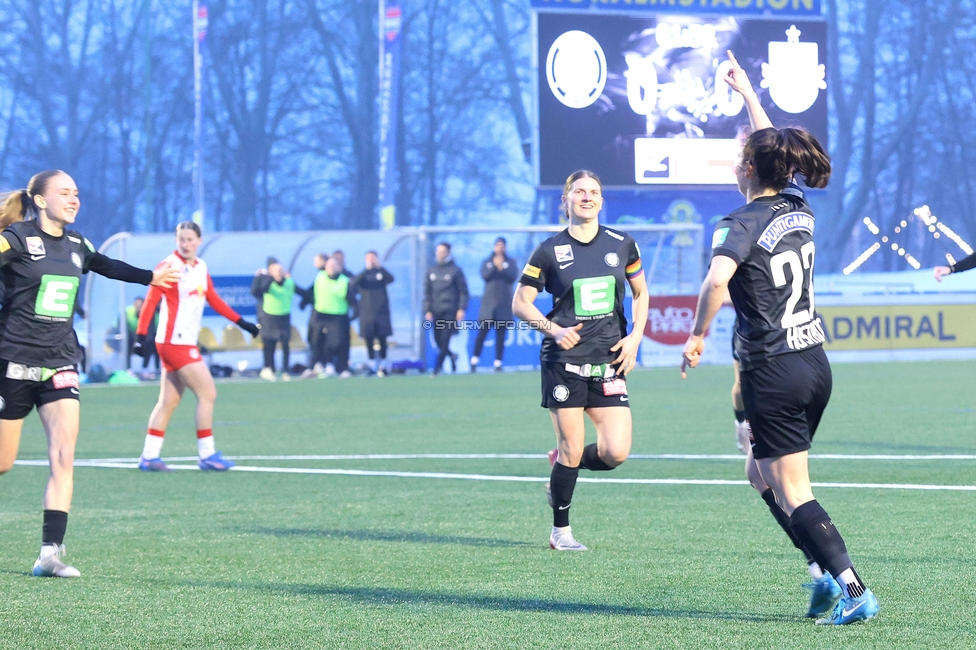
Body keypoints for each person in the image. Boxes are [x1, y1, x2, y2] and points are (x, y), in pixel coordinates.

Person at [680, 51, 879, 625]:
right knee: (758, 471)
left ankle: (852, 588)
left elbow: (716, 280)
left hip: (774, 366)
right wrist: (746, 93)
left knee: (792, 488)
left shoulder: (738, 224)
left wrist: (696, 336)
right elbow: (772, 145)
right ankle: (819, 577)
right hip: (814, 362)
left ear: (747, 170)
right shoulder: (796, 204)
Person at [0, 170, 180, 578]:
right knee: (3, 463)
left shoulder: (79, 244)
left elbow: (107, 265)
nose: (74, 198)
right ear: (40, 200)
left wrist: (151, 277)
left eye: (76, 192)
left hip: (61, 361)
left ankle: (50, 554)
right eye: (64, 192)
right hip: (12, 363)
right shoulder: (16, 239)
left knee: (64, 456)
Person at [512, 170, 648, 551]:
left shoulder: (624, 244)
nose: (587, 197)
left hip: (609, 362)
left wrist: (635, 338)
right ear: (566, 200)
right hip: (563, 362)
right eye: (579, 192)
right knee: (573, 446)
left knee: (615, 452)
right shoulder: (549, 250)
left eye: (594, 192)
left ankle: (561, 465)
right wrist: (553, 330)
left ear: (602, 201)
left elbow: (640, 294)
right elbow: (520, 302)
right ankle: (561, 532)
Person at [133, 221, 260, 473]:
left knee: (168, 401)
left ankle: (149, 456)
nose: (185, 244)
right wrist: (140, 336)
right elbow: (150, 301)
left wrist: (243, 323)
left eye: (190, 239)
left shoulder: (200, 267)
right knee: (208, 393)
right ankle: (207, 454)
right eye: (181, 239)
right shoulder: (169, 266)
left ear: (199, 241)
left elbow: (213, 298)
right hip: (174, 341)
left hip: (181, 341)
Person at [470, 237, 518, 373]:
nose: (500, 248)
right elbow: (485, 276)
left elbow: (512, 277)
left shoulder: (510, 262)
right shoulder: (487, 262)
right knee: (482, 334)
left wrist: (502, 267)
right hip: (488, 306)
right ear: (494, 247)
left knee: (501, 335)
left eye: (502, 245)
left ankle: (498, 363)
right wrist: (495, 267)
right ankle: (474, 361)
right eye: (497, 245)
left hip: (503, 304)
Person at [305, 257, 356, 378]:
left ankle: (343, 369)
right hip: (321, 315)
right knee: (318, 342)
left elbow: (352, 299)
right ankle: (321, 366)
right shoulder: (320, 277)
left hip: (339, 316)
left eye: (334, 266)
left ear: (339, 267)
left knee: (339, 343)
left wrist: (354, 314)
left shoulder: (344, 280)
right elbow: (310, 292)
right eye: (329, 266)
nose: (331, 268)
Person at [424, 242, 468, 375]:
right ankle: (452, 356)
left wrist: (461, 308)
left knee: (445, 339)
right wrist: (427, 309)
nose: (440, 253)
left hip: (450, 310)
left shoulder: (455, 270)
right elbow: (427, 292)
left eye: (443, 251)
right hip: (436, 310)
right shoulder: (432, 270)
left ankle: (437, 369)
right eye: (438, 251)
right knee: (438, 341)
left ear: (448, 252)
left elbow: (463, 291)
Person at [251, 257, 295, 381]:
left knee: (286, 344)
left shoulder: (288, 282)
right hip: (268, 317)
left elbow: (297, 291)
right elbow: (256, 291)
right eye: (276, 270)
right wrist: (260, 277)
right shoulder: (266, 281)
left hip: (284, 316)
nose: (279, 272)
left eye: (280, 270)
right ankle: (270, 369)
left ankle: (286, 370)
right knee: (269, 344)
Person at [352, 250, 395, 376]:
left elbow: (391, 279)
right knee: (369, 339)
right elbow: (354, 282)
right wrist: (367, 269)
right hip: (367, 312)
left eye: (373, 258)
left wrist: (380, 267)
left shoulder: (381, 273)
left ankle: (383, 366)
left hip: (381, 312)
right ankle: (372, 365)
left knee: (382, 339)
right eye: (369, 258)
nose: (371, 260)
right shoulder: (363, 275)